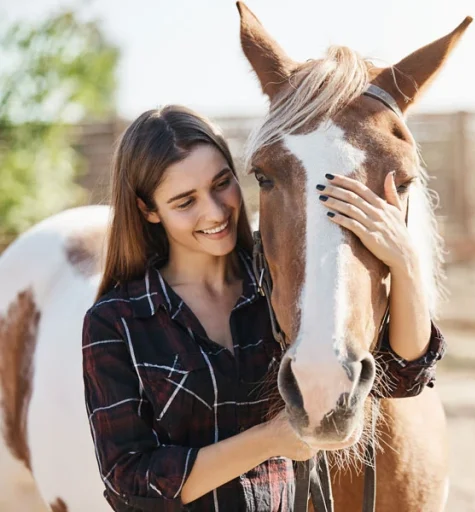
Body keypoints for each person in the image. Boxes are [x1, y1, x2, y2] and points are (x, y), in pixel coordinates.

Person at [81, 105, 446, 511]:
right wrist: (271, 439)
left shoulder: (279, 280)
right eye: (186, 201)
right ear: (148, 210)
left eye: (222, 183)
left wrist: (406, 264)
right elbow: (129, 482)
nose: (216, 212)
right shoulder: (117, 321)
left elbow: (402, 378)